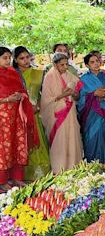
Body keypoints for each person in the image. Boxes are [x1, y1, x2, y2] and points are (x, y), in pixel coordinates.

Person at [0, 47, 39, 191]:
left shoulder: (12, 72)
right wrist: (7, 99)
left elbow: (23, 91)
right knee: (3, 149)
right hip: (2, 120)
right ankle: (2, 181)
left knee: (17, 145)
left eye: (9, 57)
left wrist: (20, 96)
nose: (8, 60)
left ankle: (16, 178)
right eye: (4, 57)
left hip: (16, 116)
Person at [13, 46, 51, 180]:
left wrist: (39, 106)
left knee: (38, 141)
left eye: (27, 57)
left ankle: (41, 173)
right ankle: (21, 175)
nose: (25, 60)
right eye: (21, 58)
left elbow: (44, 94)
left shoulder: (38, 73)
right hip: (18, 115)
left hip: (34, 113)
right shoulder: (12, 74)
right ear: (16, 60)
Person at [40, 53, 83, 173]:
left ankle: (73, 166)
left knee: (72, 137)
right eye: (62, 65)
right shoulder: (49, 77)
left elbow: (77, 96)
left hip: (70, 112)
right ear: (55, 65)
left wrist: (74, 94)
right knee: (60, 139)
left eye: (66, 64)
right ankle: (59, 168)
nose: (65, 67)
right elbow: (46, 100)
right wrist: (63, 95)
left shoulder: (70, 76)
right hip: (57, 114)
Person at [77, 52, 105, 163]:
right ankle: (92, 163)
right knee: (91, 137)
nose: (96, 64)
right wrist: (94, 94)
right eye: (92, 62)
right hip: (90, 114)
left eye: (97, 61)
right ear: (87, 65)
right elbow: (80, 98)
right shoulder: (83, 80)